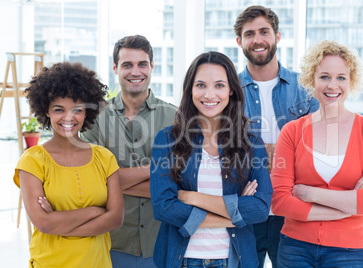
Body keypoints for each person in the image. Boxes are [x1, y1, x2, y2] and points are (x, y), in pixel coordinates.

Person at [271, 40, 363, 267]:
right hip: (295, 248)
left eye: (341, 78)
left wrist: (310, 194)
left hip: (350, 252)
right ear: (311, 80)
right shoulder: (292, 132)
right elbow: (280, 202)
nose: (332, 86)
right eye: (324, 77)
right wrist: (348, 206)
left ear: (350, 81)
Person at [150, 51, 272, 268]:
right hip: (182, 260)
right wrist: (234, 214)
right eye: (200, 85)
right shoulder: (167, 140)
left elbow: (260, 208)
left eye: (219, 85)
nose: (209, 94)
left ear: (231, 90)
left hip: (234, 260)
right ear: (190, 90)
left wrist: (192, 197)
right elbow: (164, 207)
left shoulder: (251, 143)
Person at [13, 62, 124, 267]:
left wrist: (59, 221)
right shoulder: (32, 161)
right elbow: (44, 223)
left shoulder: (104, 158)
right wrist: (95, 212)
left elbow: (116, 218)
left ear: (86, 112)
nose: (68, 117)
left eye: (77, 109)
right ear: (46, 111)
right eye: (59, 109)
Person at [233, 5, 320, 268]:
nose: (257, 40)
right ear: (240, 41)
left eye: (264, 32)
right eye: (249, 34)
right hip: (248, 210)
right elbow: (228, 153)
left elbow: (317, 151)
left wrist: (261, 152)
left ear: (277, 36)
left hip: (292, 210)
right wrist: (285, 151)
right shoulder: (230, 91)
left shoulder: (304, 88)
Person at [81, 35, 177, 267]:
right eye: (127, 65)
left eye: (142, 64)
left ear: (152, 66)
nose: (136, 71)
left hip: (162, 244)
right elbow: (92, 180)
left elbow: (177, 185)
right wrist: (155, 169)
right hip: (111, 244)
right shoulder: (94, 119)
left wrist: (113, 181)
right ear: (115, 68)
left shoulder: (175, 118)